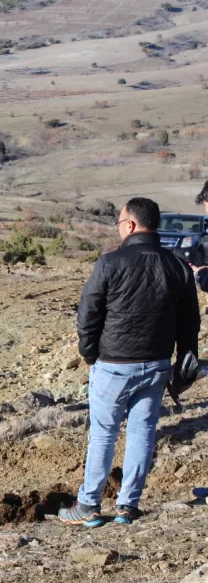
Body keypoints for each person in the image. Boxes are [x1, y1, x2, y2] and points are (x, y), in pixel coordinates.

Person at [59, 198, 200, 527]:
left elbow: (88, 314)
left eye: (120, 222)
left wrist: (89, 354)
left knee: (103, 435)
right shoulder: (177, 266)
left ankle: (88, 505)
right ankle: (128, 505)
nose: (120, 228)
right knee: (142, 434)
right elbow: (190, 322)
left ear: (131, 225)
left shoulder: (110, 263)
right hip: (157, 364)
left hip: (113, 364)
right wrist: (183, 362)